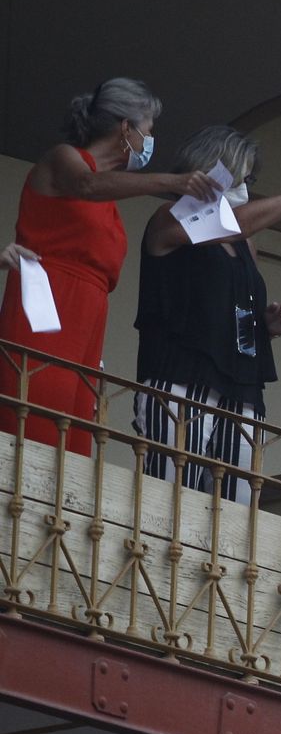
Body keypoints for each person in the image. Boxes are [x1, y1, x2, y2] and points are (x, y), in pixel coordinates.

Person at [0, 78, 220, 454]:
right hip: (49, 296)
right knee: (35, 412)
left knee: (76, 427)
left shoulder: (111, 196)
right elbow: (85, 185)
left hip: (89, 310)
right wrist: (171, 181)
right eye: (148, 131)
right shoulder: (64, 158)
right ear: (125, 128)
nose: (150, 141)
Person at [133, 126, 281, 503]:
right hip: (182, 376)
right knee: (168, 503)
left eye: (250, 179)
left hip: (241, 386)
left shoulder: (247, 244)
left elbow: (225, 301)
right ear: (210, 171)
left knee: (234, 511)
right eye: (240, 177)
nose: (246, 188)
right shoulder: (170, 218)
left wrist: (264, 325)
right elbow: (230, 224)